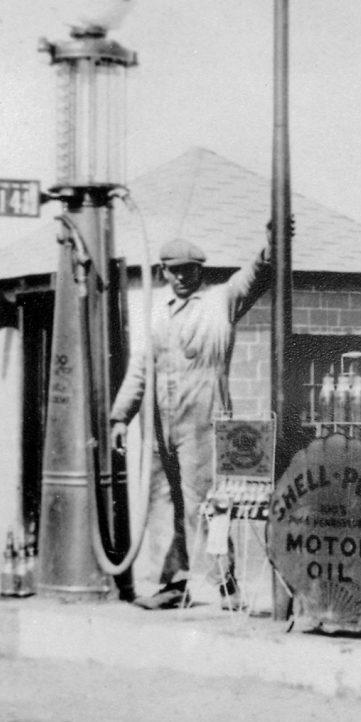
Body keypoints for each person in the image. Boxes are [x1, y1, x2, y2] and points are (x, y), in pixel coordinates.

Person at [110, 237, 272, 610]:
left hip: (203, 417)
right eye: (174, 270)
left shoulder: (220, 300)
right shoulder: (156, 311)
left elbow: (254, 278)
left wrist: (271, 246)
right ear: (163, 272)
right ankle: (174, 584)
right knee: (162, 502)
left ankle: (226, 584)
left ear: (200, 271)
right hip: (158, 421)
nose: (181, 277)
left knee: (208, 502)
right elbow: (140, 367)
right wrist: (120, 417)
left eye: (189, 270)